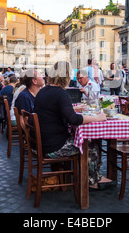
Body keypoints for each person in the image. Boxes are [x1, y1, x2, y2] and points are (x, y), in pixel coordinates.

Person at [33, 61, 111, 189]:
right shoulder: (61, 93)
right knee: (91, 146)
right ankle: (93, 181)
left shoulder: (43, 91)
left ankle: (86, 175)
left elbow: (53, 110)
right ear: (66, 77)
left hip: (39, 143)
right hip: (52, 147)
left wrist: (72, 109)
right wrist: (98, 117)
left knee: (84, 141)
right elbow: (73, 119)